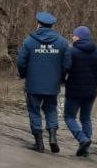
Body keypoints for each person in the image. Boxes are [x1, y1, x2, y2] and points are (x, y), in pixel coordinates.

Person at [16, 11, 72, 153]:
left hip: (33, 85)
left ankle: (39, 143)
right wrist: (61, 78)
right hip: (52, 86)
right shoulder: (62, 42)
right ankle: (52, 137)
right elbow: (67, 64)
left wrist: (23, 75)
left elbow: (21, 62)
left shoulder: (29, 41)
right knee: (51, 109)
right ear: (52, 25)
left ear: (38, 24)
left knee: (34, 111)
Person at [63, 26, 97, 157]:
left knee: (69, 117)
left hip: (74, 92)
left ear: (79, 37)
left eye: (74, 35)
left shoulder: (72, 52)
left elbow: (65, 69)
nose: (72, 37)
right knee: (86, 118)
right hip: (91, 92)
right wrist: (95, 84)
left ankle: (82, 139)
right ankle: (85, 148)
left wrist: (64, 82)